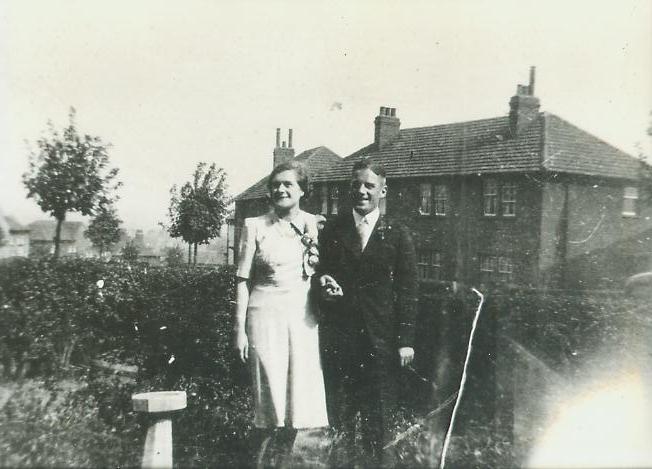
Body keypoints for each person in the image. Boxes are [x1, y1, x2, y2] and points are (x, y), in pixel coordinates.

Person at [317, 159, 418, 467]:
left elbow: (409, 290)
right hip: (340, 340)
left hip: (380, 343)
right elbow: (315, 272)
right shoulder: (332, 230)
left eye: (369, 186)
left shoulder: (397, 234)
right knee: (341, 421)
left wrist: (405, 340)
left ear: (382, 191)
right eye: (356, 185)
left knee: (381, 424)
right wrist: (321, 282)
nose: (361, 191)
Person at [235, 161, 329, 466]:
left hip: (302, 320)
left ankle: (283, 464)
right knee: (269, 405)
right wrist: (239, 331)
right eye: (276, 184)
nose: (281, 189)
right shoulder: (254, 226)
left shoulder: (314, 224)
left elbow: (320, 271)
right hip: (264, 319)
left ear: (302, 190)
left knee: (296, 408)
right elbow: (242, 281)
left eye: (288, 184)